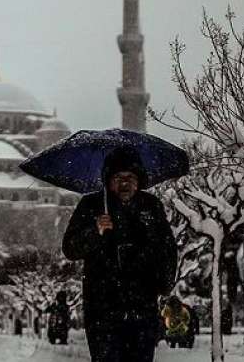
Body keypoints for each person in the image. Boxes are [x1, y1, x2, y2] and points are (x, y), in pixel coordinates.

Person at [62, 149, 177, 362]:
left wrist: (163, 283)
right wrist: (94, 230)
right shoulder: (92, 205)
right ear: (108, 180)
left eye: (130, 178)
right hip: (103, 309)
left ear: (138, 180)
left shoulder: (150, 206)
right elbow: (70, 248)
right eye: (118, 178)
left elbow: (168, 249)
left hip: (142, 308)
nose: (124, 183)